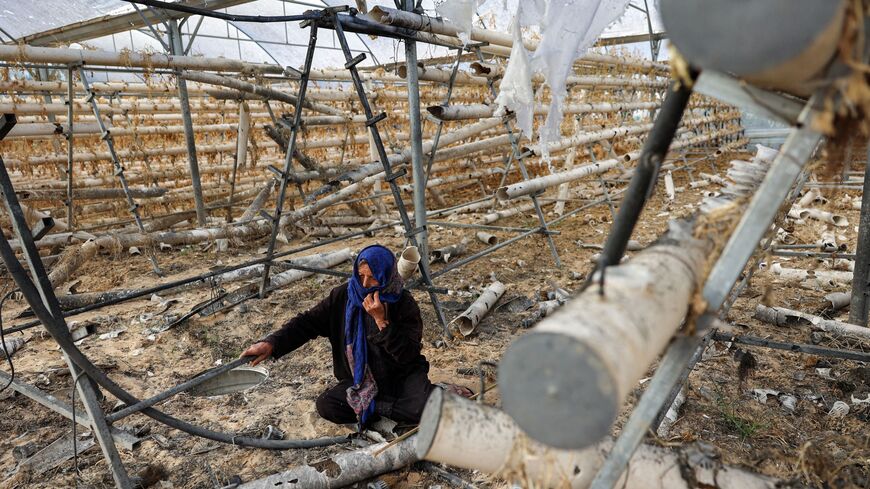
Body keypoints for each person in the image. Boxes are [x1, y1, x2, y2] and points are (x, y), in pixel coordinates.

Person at [241, 244, 434, 429]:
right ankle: (382, 407)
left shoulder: (403, 304)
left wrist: (381, 322)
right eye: (361, 276)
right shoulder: (343, 296)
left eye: (373, 278)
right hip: (361, 379)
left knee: (422, 407)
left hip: (401, 377)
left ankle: (375, 407)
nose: (365, 284)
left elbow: (408, 354)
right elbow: (307, 322)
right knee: (328, 405)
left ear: (386, 277)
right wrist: (272, 344)